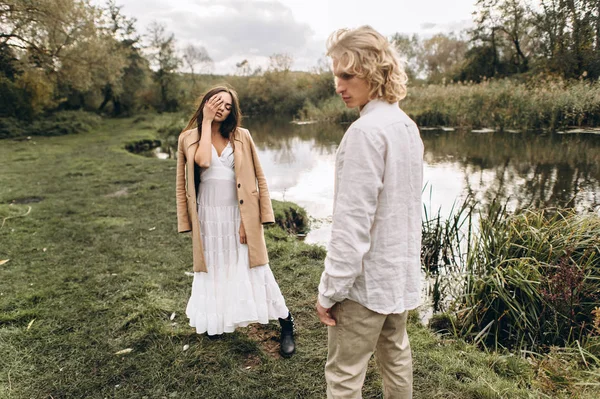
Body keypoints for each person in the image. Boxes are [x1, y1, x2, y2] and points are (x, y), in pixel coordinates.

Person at [316, 26, 424, 398]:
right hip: (397, 276)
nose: (339, 85)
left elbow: (352, 223)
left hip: (365, 285)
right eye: (336, 76)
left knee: (345, 374)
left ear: (375, 72)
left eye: (347, 75)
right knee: (396, 358)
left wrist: (331, 290)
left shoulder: (365, 133)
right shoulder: (406, 127)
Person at [176, 86, 295, 358]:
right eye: (216, 102)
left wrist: (250, 221)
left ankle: (286, 321)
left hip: (237, 214)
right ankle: (217, 321)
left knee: (256, 269)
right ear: (206, 103)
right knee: (215, 268)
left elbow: (259, 178)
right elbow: (200, 165)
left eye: (228, 106)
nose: (221, 108)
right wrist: (206, 122)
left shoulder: (242, 137)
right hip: (207, 216)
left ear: (234, 111)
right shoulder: (188, 138)